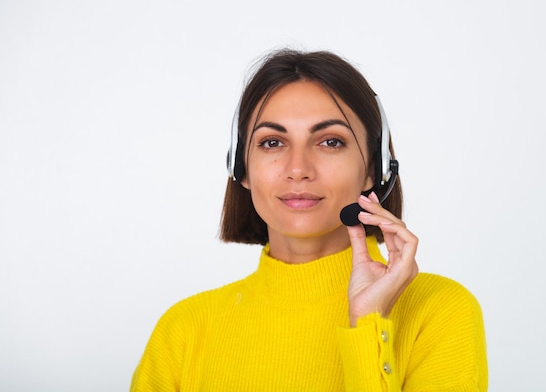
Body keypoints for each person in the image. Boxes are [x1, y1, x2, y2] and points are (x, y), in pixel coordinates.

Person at [130, 49, 488, 391]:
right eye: (272, 143)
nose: (298, 169)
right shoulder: (183, 329)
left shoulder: (440, 311)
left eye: (330, 142)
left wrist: (367, 324)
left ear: (373, 169)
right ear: (241, 168)